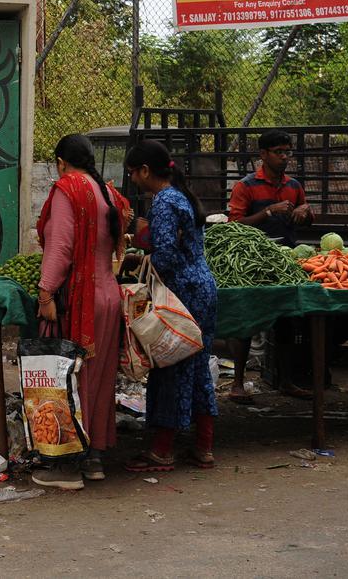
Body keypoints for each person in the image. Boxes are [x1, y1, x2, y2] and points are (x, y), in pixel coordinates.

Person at [33, 134, 132, 489]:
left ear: (61, 161)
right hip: (108, 295)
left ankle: (67, 467)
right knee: (98, 376)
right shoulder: (106, 191)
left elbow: (60, 248)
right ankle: (94, 459)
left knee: (70, 377)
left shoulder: (68, 189)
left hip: (79, 298)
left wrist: (45, 295)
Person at [123, 140, 219, 471]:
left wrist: (138, 267)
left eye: (133, 173)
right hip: (203, 288)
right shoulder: (182, 196)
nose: (133, 179)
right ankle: (204, 447)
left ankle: (162, 450)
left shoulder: (164, 202)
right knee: (198, 365)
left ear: (146, 171)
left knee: (169, 367)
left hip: (181, 294)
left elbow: (164, 256)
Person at [226, 129, 316, 403]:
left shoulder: (294, 186)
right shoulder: (247, 186)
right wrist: (268, 212)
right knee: (247, 322)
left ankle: (286, 381)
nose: (285, 157)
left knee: (287, 321)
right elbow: (234, 225)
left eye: (287, 152)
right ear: (263, 155)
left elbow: (306, 218)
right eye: (279, 152)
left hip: (285, 261)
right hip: (253, 262)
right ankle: (238, 384)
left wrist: (306, 214)